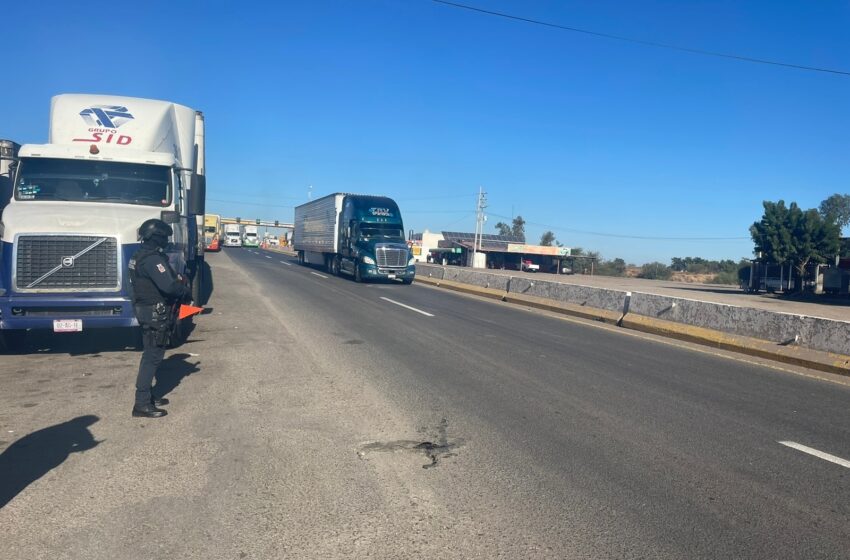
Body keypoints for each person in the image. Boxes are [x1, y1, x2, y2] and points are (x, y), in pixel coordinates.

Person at [128, 219, 190, 418]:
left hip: (144, 309)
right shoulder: (153, 260)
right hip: (155, 312)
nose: (167, 241)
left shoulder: (138, 256)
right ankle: (142, 403)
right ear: (157, 237)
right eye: (165, 238)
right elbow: (170, 286)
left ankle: (148, 396)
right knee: (152, 357)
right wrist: (184, 289)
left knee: (150, 354)